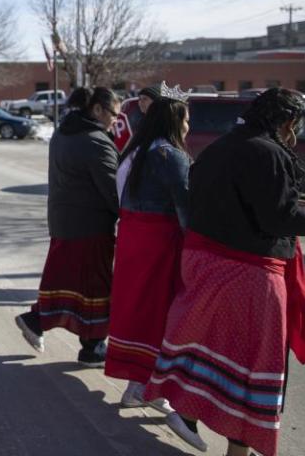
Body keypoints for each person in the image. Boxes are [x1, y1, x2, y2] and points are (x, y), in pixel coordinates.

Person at [143, 88, 305, 456]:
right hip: (249, 273)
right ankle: (233, 447)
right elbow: (279, 217)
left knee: (213, 350)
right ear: (288, 122)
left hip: (206, 263)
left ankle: (187, 412)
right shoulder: (268, 154)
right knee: (254, 366)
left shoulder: (220, 146)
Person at [16, 87, 121, 367]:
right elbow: (113, 190)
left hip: (65, 221)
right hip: (91, 225)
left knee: (66, 280)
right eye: (113, 114)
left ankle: (39, 321)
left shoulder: (64, 133)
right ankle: (92, 346)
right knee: (94, 286)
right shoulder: (95, 141)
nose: (115, 121)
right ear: (97, 110)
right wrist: (128, 213)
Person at [104, 84, 191, 413]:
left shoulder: (134, 151)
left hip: (131, 239)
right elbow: (186, 211)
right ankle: (148, 387)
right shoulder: (171, 155)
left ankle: (137, 384)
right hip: (159, 243)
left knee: (136, 311)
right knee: (158, 314)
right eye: (186, 120)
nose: (188, 127)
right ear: (173, 121)